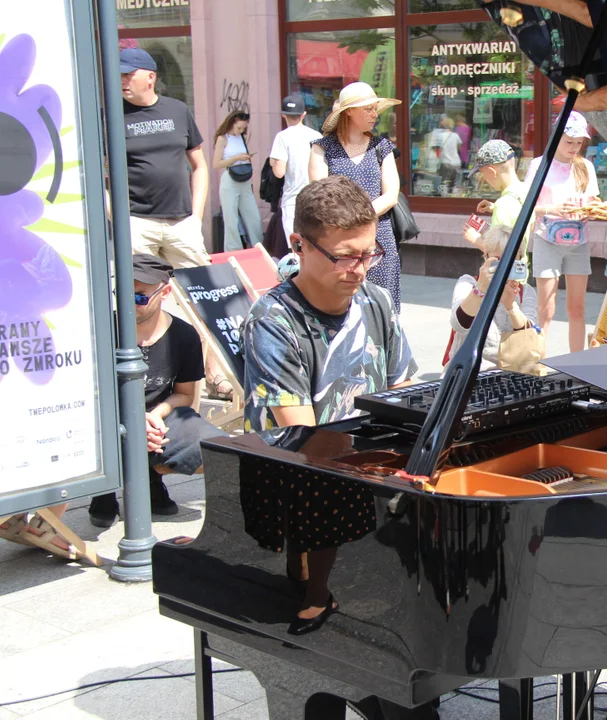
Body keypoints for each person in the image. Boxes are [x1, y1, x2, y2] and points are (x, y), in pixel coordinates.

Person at [242, 175, 416, 635]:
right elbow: (302, 438)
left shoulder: (376, 300)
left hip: (365, 462)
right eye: (343, 256)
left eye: (368, 254)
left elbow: (406, 387)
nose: (359, 269)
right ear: (299, 244)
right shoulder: (273, 320)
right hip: (300, 479)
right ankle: (316, 595)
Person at [88, 254, 225, 528]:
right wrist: (130, 423)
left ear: (165, 292)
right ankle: (103, 489)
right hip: (105, 421)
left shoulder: (184, 336)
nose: (130, 303)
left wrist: (155, 417)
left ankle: (149, 476)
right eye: (122, 294)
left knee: (217, 451)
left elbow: (185, 395)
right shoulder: (101, 329)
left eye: (139, 297)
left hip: (157, 421)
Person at [309, 82, 404, 311]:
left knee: (382, 306)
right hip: (339, 239)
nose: (374, 114)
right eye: (368, 109)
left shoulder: (382, 146)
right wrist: (347, 221)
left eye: (375, 109)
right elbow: (319, 195)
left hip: (378, 238)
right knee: (342, 304)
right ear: (349, 112)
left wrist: (359, 216)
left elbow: (391, 195)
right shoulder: (322, 148)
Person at [119, 47, 209, 269]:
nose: (122, 81)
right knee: (144, 298)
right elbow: (99, 176)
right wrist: (120, 220)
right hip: (138, 223)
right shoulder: (111, 115)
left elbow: (200, 166)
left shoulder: (178, 110)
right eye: (119, 75)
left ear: (151, 77)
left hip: (181, 222)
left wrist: (196, 218)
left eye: (128, 75)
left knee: (203, 292)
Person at [523, 111, 598, 353]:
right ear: (557, 137)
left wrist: (589, 211)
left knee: (577, 308)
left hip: (579, 240)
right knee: (547, 308)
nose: (574, 147)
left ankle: (577, 361)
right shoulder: (539, 165)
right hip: (547, 239)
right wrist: (552, 209)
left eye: (579, 143)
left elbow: (594, 202)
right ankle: (538, 361)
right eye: (569, 141)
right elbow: (525, 206)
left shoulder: (585, 166)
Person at [447, 224, 539, 371]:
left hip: (510, 371)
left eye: (509, 260)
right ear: (486, 257)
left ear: (520, 259)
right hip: (467, 370)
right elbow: (459, 324)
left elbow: (529, 338)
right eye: (497, 260)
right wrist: (480, 289)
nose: (503, 266)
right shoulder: (468, 283)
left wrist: (511, 306)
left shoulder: (525, 292)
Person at [269, 93, 321, 237]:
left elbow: (279, 172)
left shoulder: (282, 137)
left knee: (295, 247)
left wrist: (273, 162)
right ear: (303, 114)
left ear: (283, 115)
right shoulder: (316, 136)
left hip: (293, 198)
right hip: (315, 196)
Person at [212, 110, 264, 252]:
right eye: (239, 127)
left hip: (245, 180)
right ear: (232, 123)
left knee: (253, 217)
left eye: (243, 128)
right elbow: (216, 164)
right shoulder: (223, 138)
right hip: (230, 180)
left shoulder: (241, 137)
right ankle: (233, 250)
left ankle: (258, 247)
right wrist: (236, 158)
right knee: (231, 220)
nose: (241, 131)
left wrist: (246, 157)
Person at [468, 139, 527, 247]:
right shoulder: (525, 190)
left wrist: (475, 240)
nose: (484, 179)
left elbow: (499, 252)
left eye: (483, 174)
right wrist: (495, 208)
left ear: (492, 172)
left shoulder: (503, 205)